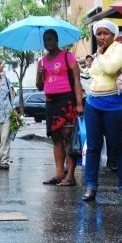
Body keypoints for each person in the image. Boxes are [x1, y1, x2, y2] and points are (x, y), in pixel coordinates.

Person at [82, 19, 122, 202]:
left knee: (117, 147)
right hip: (93, 104)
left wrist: (100, 55)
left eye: (106, 33)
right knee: (93, 147)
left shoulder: (119, 49)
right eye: (99, 34)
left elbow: (111, 69)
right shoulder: (97, 54)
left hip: (115, 104)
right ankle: (91, 187)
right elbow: (94, 75)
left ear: (113, 35)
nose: (102, 37)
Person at [36, 29, 84, 186]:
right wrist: (40, 74)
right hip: (51, 102)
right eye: (45, 40)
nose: (48, 42)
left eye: (51, 39)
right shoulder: (41, 62)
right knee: (55, 137)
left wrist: (78, 103)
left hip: (67, 100)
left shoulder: (67, 56)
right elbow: (39, 86)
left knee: (68, 137)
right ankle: (58, 173)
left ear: (57, 40)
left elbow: (77, 81)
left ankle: (70, 175)